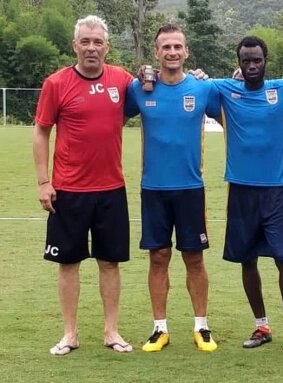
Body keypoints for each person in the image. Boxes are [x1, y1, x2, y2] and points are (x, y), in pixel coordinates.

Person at [33, 15, 133, 355]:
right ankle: (70, 334)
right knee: (68, 262)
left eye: (98, 42)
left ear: (106, 46)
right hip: (68, 190)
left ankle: (111, 332)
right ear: (75, 45)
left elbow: (158, 88)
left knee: (109, 262)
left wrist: (192, 76)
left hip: (111, 189)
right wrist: (44, 181)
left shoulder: (121, 79)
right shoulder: (56, 83)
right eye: (85, 42)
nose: (92, 48)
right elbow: (41, 132)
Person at [210, 36, 283, 357]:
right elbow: (189, 82)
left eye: (257, 60)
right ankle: (262, 325)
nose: (252, 66)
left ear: (266, 60)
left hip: (274, 193)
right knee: (247, 259)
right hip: (240, 192)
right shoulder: (225, 89)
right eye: (246, 61)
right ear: (238, 62)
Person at [125, 25, 220, 352]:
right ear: (156, 52)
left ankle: (201, 327)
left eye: (177, 46)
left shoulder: (203, 88)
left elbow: (240, 101)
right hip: (153, 189)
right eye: (165, 47)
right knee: (158, 257)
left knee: (194, 258)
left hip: (191, 189)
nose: (172, 52)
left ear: (187, 51)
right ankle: (159, 329)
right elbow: (111, 113)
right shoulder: (140, 89)